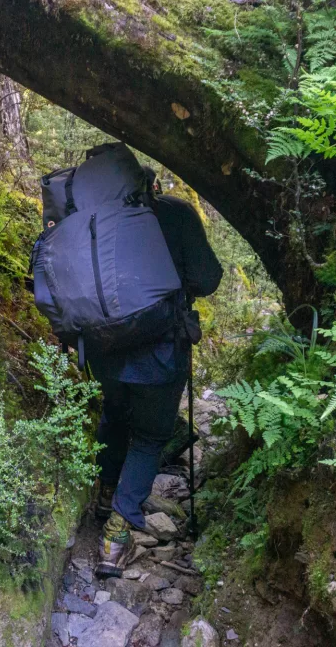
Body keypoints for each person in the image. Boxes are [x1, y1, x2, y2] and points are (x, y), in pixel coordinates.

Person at [90, 168, 222, 577]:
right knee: (148, 437)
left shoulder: (94, 219)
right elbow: (207, 278)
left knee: (114, 415)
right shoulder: (176, 214)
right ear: (151, 186)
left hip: (105, 348)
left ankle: (105, 493)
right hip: (161, 353)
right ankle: (115, 535)